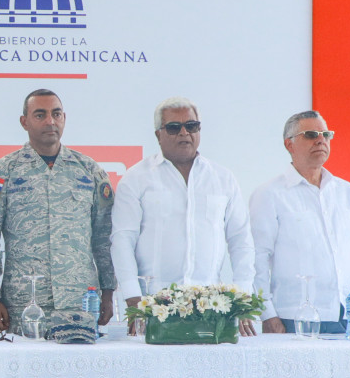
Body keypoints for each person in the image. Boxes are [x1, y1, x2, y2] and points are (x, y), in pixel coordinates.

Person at [0, 89, 115, 341]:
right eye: (40, 115)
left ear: (64, 118)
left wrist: (108, 290)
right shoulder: (2, 172)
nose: (50, 121)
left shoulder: (89, 171)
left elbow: (103, 237)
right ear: (24, 122)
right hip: (24, 303)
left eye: (56, 114)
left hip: (79, 301)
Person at [109, 97, 254, 315]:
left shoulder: (223, 178)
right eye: (174, 127)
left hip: (211, 305)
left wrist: (242, 296)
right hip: (153, 304)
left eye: (191, 126)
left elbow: (241, 240)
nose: (184, 133)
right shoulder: (136, 178)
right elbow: (122, 239)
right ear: (158, 135)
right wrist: (132, 296)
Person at [249, 111, 350, 334]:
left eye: (326, 134)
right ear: (289, 144)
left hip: (346, 316)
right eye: (310, 134)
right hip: (293, 317)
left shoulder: (345, 191)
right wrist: (267, 314)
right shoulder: (270, 194)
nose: (320, 140)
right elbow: (256, 259)